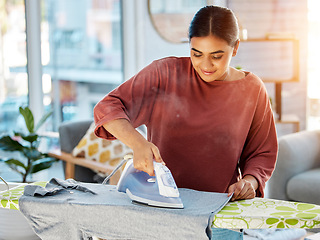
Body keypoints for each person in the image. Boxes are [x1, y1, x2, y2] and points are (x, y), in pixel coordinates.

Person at [94, 6, 277, 238]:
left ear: (236, 47)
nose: (206, 66)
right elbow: (108, 107)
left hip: (222, 212)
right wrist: (138, 144)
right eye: (196, 53)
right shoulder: (164, 74)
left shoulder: (252, 90)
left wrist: (250, 181)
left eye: (217, 56)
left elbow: (261, 151)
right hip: (165, 212)